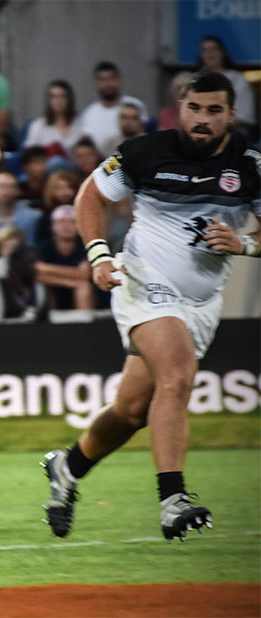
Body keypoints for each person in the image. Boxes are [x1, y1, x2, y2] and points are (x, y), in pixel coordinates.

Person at [41, 70, 259, 542]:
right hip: (144, 280)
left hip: (203, 301)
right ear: (179, 107)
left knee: (133, 409)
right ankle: (172, 499)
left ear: (231, 114)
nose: (203, 119)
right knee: (177, 374)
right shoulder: (144, 152)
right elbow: (90, 196)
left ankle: (68, 466)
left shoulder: (251, 163)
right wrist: (98, 254)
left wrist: (244, 243)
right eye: (195, 108)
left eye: (214, 110)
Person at [80, 61, 147, 159]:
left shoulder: (136, 105)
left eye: (111, 78)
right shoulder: (88, 114)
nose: (107, 84)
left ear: (118, 80)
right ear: (96, 84)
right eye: (102, 79)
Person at [34, 204, 93, 310]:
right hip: (56, 289)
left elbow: (85, 274)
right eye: (61, 222)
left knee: (84, 288)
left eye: (72, 222)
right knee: (41, 286)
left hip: (81, 292)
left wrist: (48, 269)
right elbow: (38, 273)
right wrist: (72, 282)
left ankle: (85, 324)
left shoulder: (85, 246)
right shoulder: (44, 247)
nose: (67, 226)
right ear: (53, 226)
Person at [23, 80, 86, 154]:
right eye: (53, 97)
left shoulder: (81, 122)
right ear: (48, 101)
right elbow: (29, 154)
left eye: (62, 96)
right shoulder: (38, 125)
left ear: (69, 99)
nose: (58, 101)